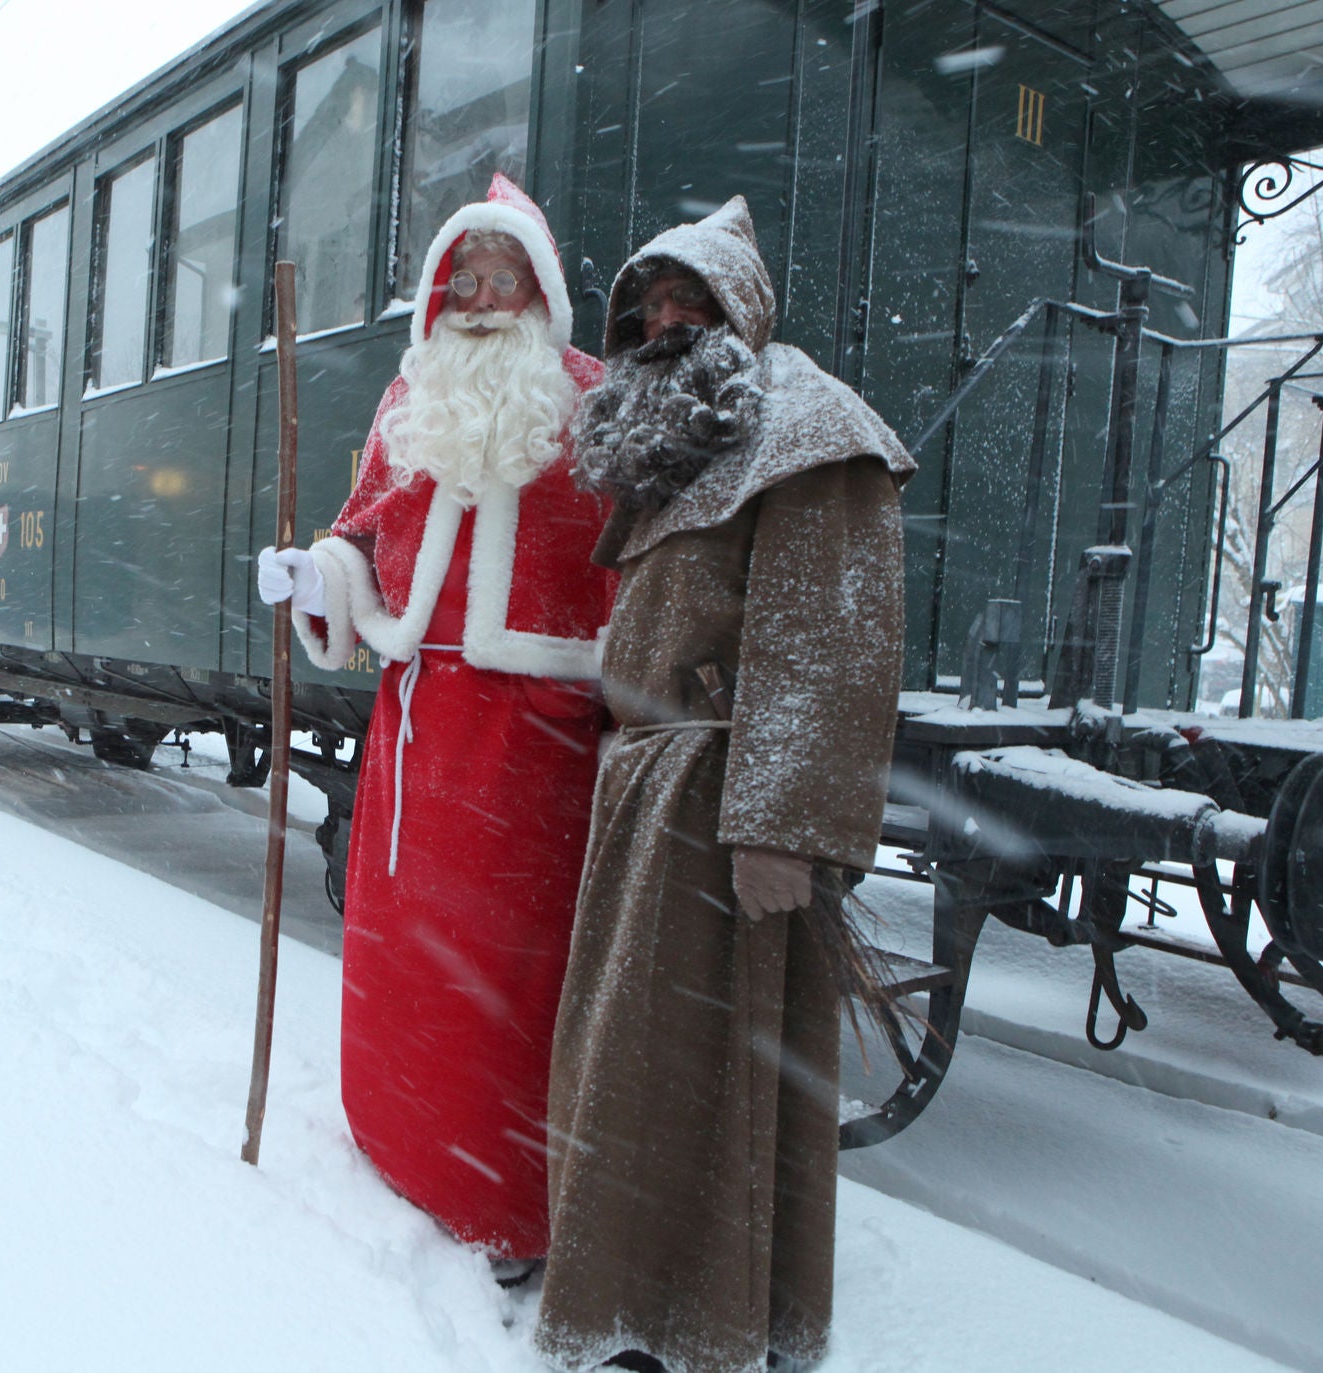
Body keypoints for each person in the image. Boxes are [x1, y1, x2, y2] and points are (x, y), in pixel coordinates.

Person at [534, 197, 915, 1373]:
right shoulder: (686, 451)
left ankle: (695, 1325)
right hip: (653, 799)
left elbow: (828, 642)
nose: (660, 321)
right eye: (645, 304)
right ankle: (630, 1307)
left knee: (699, 1080)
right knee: (638, 1075)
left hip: (720, 806)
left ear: (738, 309)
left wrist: (777, 826)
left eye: (684, 301)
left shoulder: (810, 428)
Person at [256, 174, 612, 1265]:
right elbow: (362, 535)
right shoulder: (411, 401)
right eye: (467, 278)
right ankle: (407, 1151)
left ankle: (513, 1196)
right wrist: (309, 573)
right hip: (423, 727)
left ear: (539, 287)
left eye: (504, 276)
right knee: (414, 954)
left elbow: (633, 553)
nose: (484, 296)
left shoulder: (589, 398)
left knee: (515, 969)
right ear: (440, 290)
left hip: (545, 739)